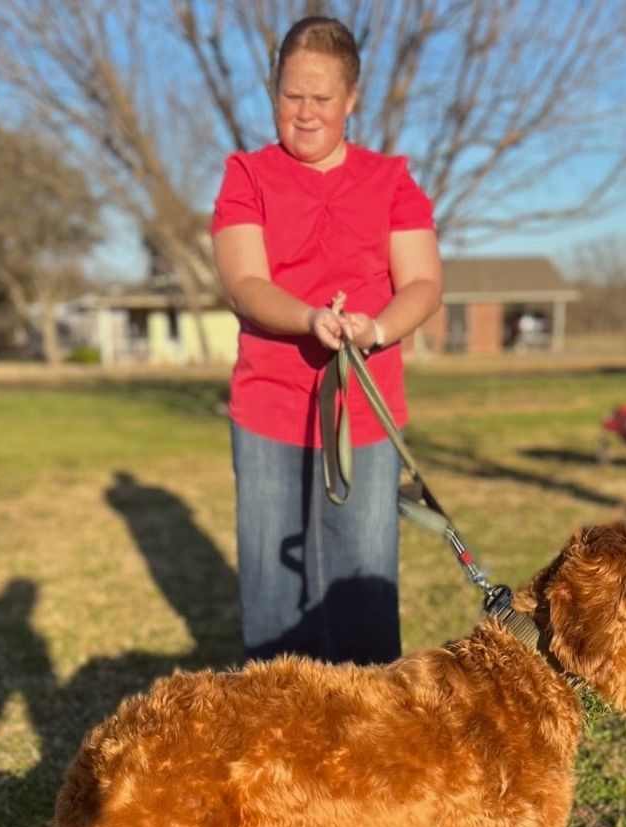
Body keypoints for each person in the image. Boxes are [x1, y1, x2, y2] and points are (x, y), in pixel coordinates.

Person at [211, 15, 442, 665]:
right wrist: (307, 317)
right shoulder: (246, 176)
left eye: (320, 98)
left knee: (361, 586)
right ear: (273, 91)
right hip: (268, 409)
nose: (304, 113)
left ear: (351, 100)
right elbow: (244, 282)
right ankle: (276, 742)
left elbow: (422, 282)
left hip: (364, 415)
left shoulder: (391, 181)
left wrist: (377, 329)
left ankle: (366, 745)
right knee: (272, 592)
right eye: (291, 96)